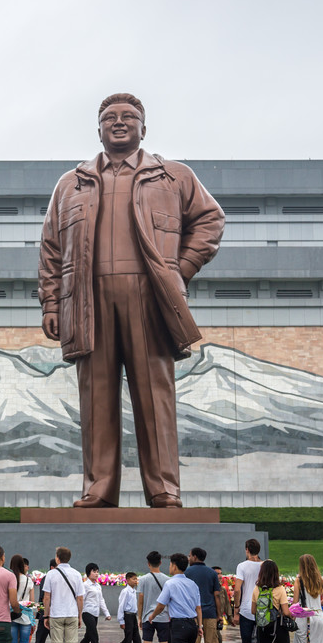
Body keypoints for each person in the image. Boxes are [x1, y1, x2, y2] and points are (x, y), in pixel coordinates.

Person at [38, 93, 225, 509]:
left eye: (128, 117)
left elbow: (211, 220)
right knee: (96, 397)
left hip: (149, 297)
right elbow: (51, 247)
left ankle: (164, 489)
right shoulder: (71, 184)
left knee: (155, 395)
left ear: (144, 127)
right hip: (88, 300)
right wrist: (51, 304)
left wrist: (180, 269)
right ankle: (98, 488)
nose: (118, 123)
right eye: (109, 118)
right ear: (98, 129)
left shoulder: (173, 176)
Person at [146, 553, 203, 643]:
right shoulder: (193, 584)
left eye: (170, 565)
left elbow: (161, 605)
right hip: (192, 625)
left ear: (174, 566)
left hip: (179, 625)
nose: (169, 567)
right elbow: (198, 607)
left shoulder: (170, 583)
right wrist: (200, 626)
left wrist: (152, 616)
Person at [41, 546, 85, 643]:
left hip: (56, 615)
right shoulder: (76, 574)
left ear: (57, 558)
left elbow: (46, 597)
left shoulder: (51, 574)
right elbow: (80, 598)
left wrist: (46, 616)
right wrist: (80, 615)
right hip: (72, 614)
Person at [183, 548, 221, 643]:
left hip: (193, 614)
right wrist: (219, 615)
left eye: (189, 556)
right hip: (210, 613)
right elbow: (217, 595)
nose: (189, 558)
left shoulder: (187, 573)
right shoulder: (212, 573)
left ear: (195, 557)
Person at [249, 560, 290, 643]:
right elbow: (285, 611)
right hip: (279, 627)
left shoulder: (257, 589)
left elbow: (253, 611)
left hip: (262, 626)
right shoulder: (280, 589)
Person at [291, 554, 323, 643]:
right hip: (319, 617)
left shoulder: (299, 580)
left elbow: (295, 603)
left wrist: (291, 617)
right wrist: (316, 605)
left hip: (305, 618)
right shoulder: (320, 580)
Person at [229, 539, 262, 643]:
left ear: (247, 550)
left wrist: (236, 608)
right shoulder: (265, 565)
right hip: (262, 607)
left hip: (246, 609)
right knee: (261, 642)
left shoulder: (242, 566)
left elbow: (237, 589)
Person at [138, 551, 171, 643]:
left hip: (148, 617)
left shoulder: (143, 579)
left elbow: (141, 600)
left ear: (148, 563)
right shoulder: (167, 580)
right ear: (160, 562)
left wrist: (140, 618)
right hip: (164, 617)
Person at [77, 563, 111, 643]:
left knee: (88, 637)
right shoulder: (85, 585)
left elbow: (101, 600)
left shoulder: (98, 586)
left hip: (95, 614)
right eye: (94, 572)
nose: (96, 574)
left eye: (97, 572)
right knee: (94, 637)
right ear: (88, 573)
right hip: (87, 613)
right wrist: (79, 614)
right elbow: (81, 600)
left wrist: (107, 613)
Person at [108, 572, 142, 643]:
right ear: (127, 580)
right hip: (128, 617)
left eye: (136, 579)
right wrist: (121, 621)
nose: (136, 581)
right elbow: (121, 606)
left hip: (133, 616)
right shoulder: (125, 591)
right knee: (127, 642)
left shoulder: (134, 591)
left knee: (137, 641)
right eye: (134, 579)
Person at [31, 559, 58, 643]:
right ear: (52, 567)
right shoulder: (46, 579)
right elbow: (44, 597)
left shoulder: (57, 579)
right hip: (45, 615)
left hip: (53, 615)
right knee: (40, 642)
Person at [10, 554, 35, 643]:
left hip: (11, 615)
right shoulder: (29, 580)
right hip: (25, 617)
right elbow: (32, 602)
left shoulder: (10, 579)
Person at [209, 566, 228, 643]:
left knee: (215, 641)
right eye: (217, 574)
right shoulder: (209, 589)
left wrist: (231, 617)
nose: (220, 576)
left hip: (218, 619)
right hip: (211, 618)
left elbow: (227, 604)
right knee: (217, 640)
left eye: (221, 573)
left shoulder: (222, 589)